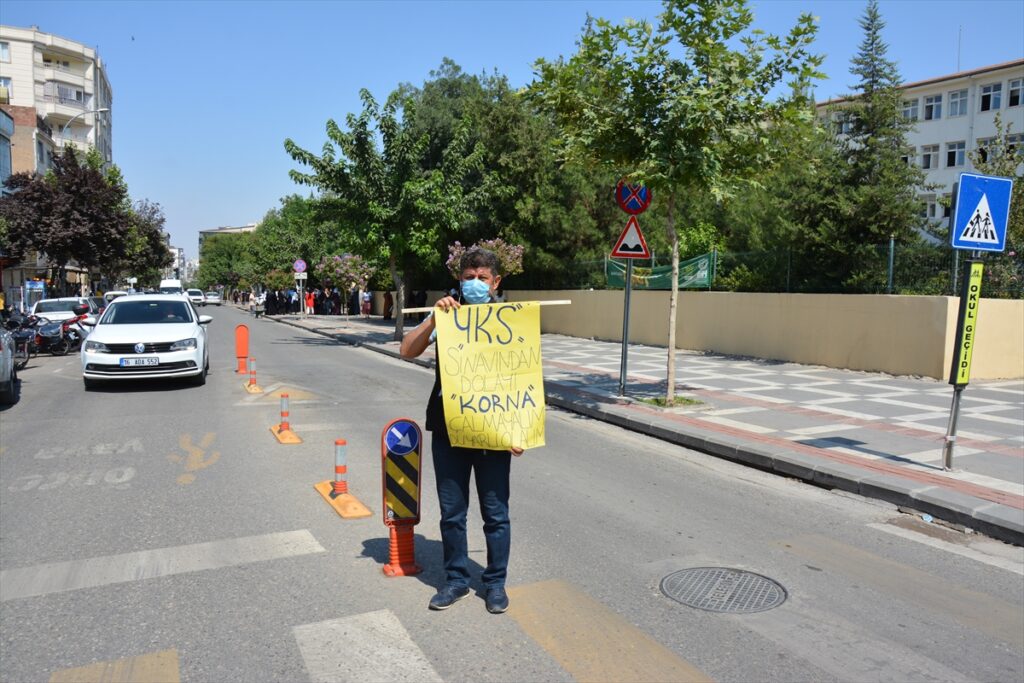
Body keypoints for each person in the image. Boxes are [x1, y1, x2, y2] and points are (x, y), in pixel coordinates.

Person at [399, 248, 522, 615]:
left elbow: (523, 377)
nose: (475, 284)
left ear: (496, 282)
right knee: (452, 512)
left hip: (493, 431)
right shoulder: (448, 316)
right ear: (459, 280)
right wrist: (433, 321)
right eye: (469, 277)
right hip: (448, 428)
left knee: (495, 513)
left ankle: (495, 583)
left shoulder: (512, 320)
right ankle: (456, 580)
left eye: (482, 278)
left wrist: (520, 429)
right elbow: (407, 350)